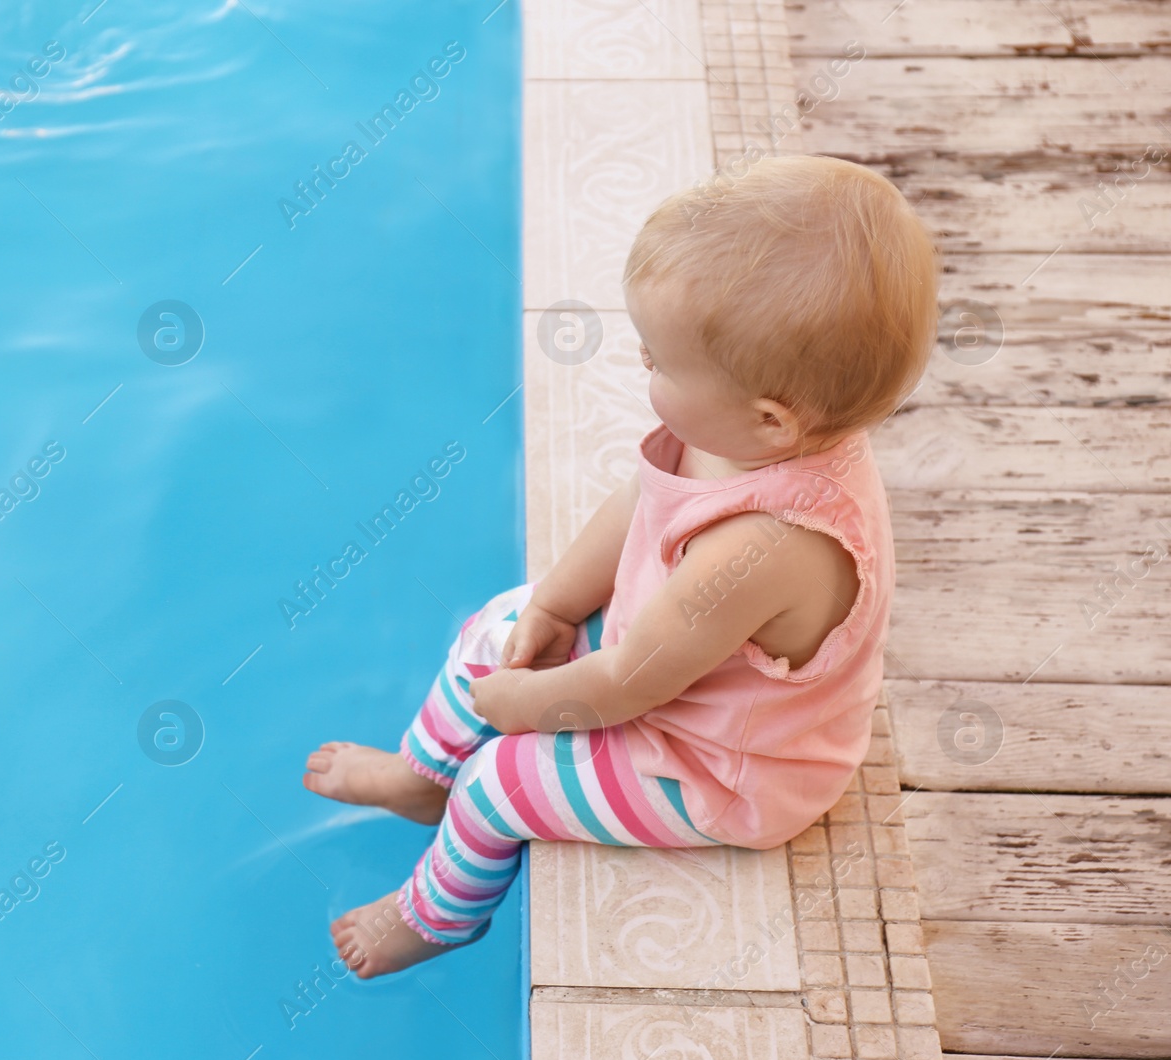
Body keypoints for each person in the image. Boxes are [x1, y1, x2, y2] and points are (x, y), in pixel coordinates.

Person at [304, 154, 940, 977]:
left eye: (659, 362)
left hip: (722, 763)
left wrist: (526, 704)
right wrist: (560, 605)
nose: (643, 365)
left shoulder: (771, 545)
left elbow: (630, 684)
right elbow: (642, 502)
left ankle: (435, 916)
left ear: (772, 419)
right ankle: (423, 777)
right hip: (676, 665)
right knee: (498, 625)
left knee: (501, 780)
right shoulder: (743, 431)